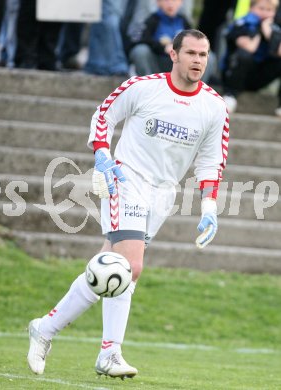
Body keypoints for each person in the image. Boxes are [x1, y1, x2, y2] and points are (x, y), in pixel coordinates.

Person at [27, 29, 230, 379]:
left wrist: (209, 208)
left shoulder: (214, 107)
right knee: (129, 266)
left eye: (204, 54)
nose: (198, 60)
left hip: (164, 193)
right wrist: (103, 156)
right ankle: (110, 353)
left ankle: (45, 328)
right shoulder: (142, 87)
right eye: (192, 53)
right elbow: (103, 116)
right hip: (127, 179)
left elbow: (211, 162)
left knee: (110, 267)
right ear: (174, 54)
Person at [221, 0, 281, 115]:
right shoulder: (243, 23)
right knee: (244, 55)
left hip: (258, 78)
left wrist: (268, 31)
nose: (264, 13)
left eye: (269, 10)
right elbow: (249, 48)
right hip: (233, 76)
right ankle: (230, 95)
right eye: (261, 9)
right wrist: (258, 28)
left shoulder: (274, 28)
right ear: (251, 9)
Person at [129, 0, 191, 75]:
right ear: (158, 2)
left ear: (181, 2)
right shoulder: (152, 19)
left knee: (206, 55)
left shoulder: (183, 21)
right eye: (166, 1)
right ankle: (147, 83)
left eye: (174, 0)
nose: (170, 4)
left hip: (178, 65)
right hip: (156, 63)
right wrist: (163, 47)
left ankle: (192, 85)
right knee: (140, 50)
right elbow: (142, 40)